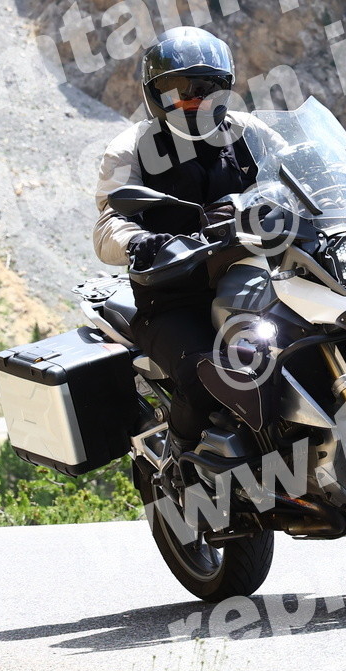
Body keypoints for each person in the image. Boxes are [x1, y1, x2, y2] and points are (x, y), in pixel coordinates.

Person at [93, 27, 254, 450]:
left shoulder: (248, 132)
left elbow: (303, 163)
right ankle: (180, 460)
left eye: (205, 89)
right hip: (174, 296)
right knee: (205, 376)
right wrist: (139, 242)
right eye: (179, 92)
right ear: (155, 96)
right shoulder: (131, 147)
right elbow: (109, 223)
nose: (194, 101)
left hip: (256, 278)